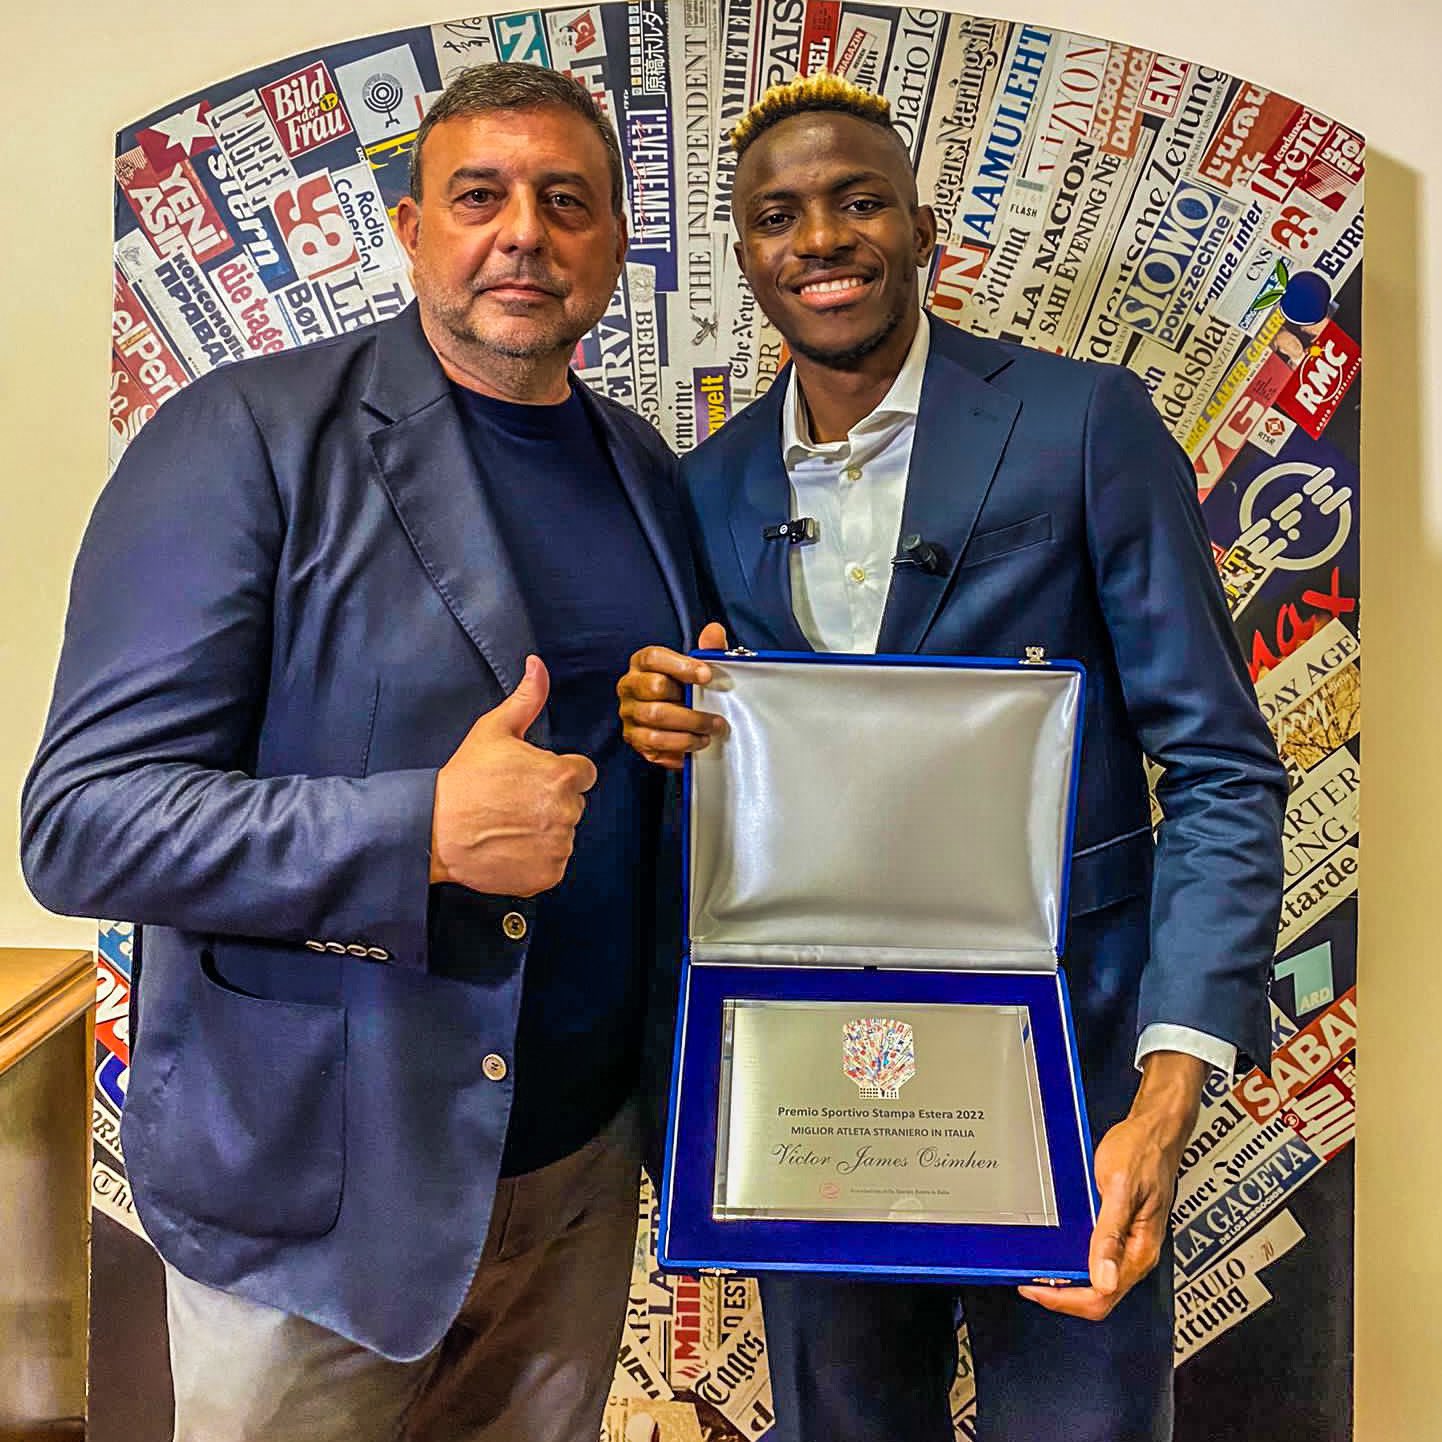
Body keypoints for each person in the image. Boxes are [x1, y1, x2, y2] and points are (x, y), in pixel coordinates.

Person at [23, 63, 697, 1442]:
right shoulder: (243, 434)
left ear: (615, 243)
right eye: (479, 196)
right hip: (318, 1194)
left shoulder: (643, 466)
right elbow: (83, 823)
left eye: (566, 202)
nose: (524, 233)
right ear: (408, 228)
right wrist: (422, 832)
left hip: (575, 1173)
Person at [617, 74, 1286, 1442]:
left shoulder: (1084, 421)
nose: (820, 239)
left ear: (926, 229)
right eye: (777, 216)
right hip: (810, 1088)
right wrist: (654, 723)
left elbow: (1221, 765)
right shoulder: (707, 486)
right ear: (743, 253)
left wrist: (1166, 1089)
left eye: (858, 201)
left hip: (1073, 1078)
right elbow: (715, 786)